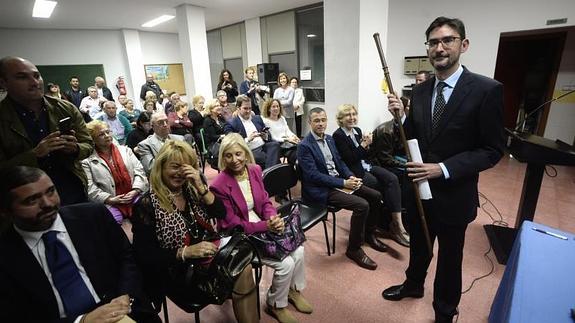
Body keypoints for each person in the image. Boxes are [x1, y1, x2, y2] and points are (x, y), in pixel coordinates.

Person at [381, 17, 505, 323]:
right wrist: (400, 116)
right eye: (433, 42)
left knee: (450, 259)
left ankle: (445, 311)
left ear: (463, 44)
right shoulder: (420, 91)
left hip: (454, 196)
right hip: (419, 192)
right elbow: (411, 138)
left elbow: (492, 150)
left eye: (447, 40)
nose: (440, 47)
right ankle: (413, 286)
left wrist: (443, 169)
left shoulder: (486, 90)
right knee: (420, 247)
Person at [0, 166, 160, 322]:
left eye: (51, 191)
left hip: (123, 310)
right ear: (6, 211)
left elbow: (128, 258)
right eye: (31, 200)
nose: (47, 203)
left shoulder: (93, 215)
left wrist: (126, 295)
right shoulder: (6, 255)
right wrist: (82, 320)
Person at [131, 140, 259, 323]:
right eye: (175, 167)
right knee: (241, 271)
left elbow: (220, 213)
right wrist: (185, 252)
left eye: (186, 168)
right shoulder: (147, 204)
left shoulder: (191, 189)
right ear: (161, 167)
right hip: (177, 271)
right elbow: (144, 256)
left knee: (243, 268)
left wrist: (201, 188)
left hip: (207, 257)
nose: (180, 173)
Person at [211, 133, 312, 323]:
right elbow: (232, 223)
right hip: (239, 234)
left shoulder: (254, 170)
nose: (235, 160)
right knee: (285, 263)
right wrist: (266, 225)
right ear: (222, 157)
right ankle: (275, 304)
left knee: (299, 250)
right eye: (228, 155)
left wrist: (272, 217)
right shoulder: (219, 185)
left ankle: (293, 291)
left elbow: (265, 201)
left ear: (246, 153)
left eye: (238, 154)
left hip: (261, 221)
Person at [297, 107, 387, 270]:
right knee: (362, 205)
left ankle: (368, 234)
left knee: (375, 195)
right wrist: (343, 184)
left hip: (339, 181)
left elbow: (340, 163)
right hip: (321, 188)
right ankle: (353, 249)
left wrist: (349, 176)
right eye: (316, 120)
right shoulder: (304, 145)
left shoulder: (330, 139)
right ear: (309, 122)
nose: (321, 124)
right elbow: (313, 176)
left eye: (323, 120)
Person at [0, 56, 93, 206]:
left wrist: (75, 149)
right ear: (3, 83)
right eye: (22, 77)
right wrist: (34, 155)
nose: (34, 82)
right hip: (27, 202)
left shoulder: (66, 108)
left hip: (72, 190)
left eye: (37, 76)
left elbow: (88, 144)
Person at [332, 104, 409, 247]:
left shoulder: (357, 131)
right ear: (340, 119)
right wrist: (364, 145)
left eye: (354, 114)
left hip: (368, 166)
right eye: (347, 115)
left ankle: (397, 223)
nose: (352, 118)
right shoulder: (338, 135)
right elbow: (350, 159)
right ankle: (376, 227)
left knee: (392, 178)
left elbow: (366, 154)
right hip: (355, 172)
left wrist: (369, 145)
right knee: (379, 188)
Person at [82, 120, 148, 223]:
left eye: (108, 132)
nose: (107, 135)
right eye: (101, 134)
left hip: (133, 195)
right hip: (109, 201)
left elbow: (140, 172)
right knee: (113, 223)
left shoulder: (126, 151)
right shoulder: (87, 160)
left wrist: (136, 190)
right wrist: (109, 199)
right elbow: (89, 187)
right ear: (93, 139)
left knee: (146, 213)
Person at [224, 94, 280, 170]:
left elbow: (269, 137)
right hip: (248, 150)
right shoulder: (232, 123)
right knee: (273, 159)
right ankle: (270, 174)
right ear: (238, 108)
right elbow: (230, 143)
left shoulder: (257, 118)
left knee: (275, 145)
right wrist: (248, 139)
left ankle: (268, 173)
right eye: (245, 108)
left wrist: (265, 136)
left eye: (250, 108)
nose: (248, 111)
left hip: (262, 146)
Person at [261, 98, 300, 165]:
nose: (276, 108)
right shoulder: (265, 121)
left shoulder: (282, 118)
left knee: (301, 149)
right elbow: (273, 138)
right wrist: (287, 139)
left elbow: (287, 131)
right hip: (278, 145)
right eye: (273, 107)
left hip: (288, 143)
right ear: (268, 109)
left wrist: (294, 136)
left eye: (277, 106)